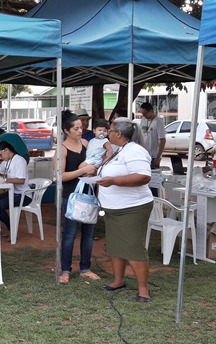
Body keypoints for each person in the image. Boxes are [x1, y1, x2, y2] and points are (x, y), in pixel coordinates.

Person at [96, 118, 153, 302]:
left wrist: (114, 181)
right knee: (115, 246)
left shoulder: (135, 151)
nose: (107, 133)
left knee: (133, 248)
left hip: (132, 208)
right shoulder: (120, 150)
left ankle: (143, 289)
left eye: (110, 130)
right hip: (114, 209)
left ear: (118, 133)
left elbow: (143, 177)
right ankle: (118, 280)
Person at [56, 111, 100, 283]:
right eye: (76, 128)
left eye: (81, 127)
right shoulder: (62, 149)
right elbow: (61, 176)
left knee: (88, 234)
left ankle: (85, 268)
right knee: (70, 234)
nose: (80, 131)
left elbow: (94, 163)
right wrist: (82, 171)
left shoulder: (86, 144)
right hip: (71, 196)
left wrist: (93, 171)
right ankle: (66, 270)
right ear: (66, 131)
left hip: (88, 194)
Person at [0, 140, 31, 233]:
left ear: (6, 150)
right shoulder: (7, 161)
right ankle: (6, 228)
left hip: (23, 195)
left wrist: (4, 180)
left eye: (0, 155)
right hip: (12, 192)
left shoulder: (19, 160)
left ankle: (12, 230)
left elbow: (21, 180)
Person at [138, 101, 166, 169]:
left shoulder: (158, 122)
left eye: (145, 113)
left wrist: (158, 157)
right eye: (142, 114)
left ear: (150, 111)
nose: (144, 115)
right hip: (144, 154)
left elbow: (162, 140)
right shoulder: (143, 120)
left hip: (154, 155)